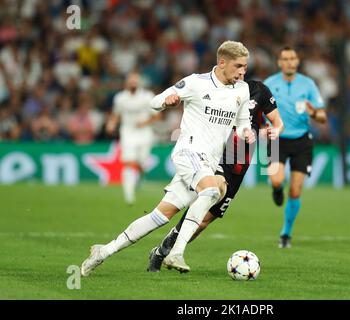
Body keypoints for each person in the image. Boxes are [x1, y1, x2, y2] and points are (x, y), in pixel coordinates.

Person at [80, 40, 255, 276]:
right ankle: (176, 253)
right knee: (212, 191)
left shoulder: (241, 89)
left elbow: (243, 120)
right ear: (222, 62)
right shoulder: (195, 83)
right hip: (189, 152)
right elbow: (154, 102)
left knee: (160, 216)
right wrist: (166, 101)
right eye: (238, 66)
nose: (243, 71)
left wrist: (246, 132)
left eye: (245, 66)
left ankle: (103, 252)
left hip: (209, 161)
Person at [147, 78, 284, 272]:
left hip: (238, 165)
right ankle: (169, 251)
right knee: (198, 202)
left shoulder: (258, 90)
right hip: (214, 156)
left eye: (243, 66)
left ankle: (161, 251)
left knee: (204, 221)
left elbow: (277, 122)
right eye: (237, 65)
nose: (239, 71)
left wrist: (275, 132)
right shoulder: (213, 88)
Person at [264, 46, 327, 248]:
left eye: (293, 58)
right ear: (280, 63)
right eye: (285, 59)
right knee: (277, 180)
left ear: (297, 62)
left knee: (296, 191)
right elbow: (256, 110)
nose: (289, 62)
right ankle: (276, 188)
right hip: (277, 138)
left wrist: (314, 113)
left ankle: (286, 234)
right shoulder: (269, 84)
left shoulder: (308, 84)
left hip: (301, 140)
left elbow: (323, 116)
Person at [106, 72, 161, 205]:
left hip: (144, 133)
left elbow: (157, 116)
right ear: (127, 82)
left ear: (139, 82)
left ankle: (140, 177)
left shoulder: (147, 96)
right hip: (127, 132)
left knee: (141, 162)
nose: (133, 83)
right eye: (131, 81)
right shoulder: (120, 98)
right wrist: (111, 123)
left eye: (135, 81)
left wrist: (144, 123)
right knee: (129, 162)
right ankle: (129, 195)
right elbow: (116, 114)